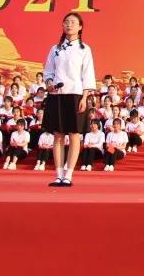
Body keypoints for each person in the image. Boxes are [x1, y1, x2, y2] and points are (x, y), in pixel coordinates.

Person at [42, 12, 97, 187]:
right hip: (57, 95)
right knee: (58, 135)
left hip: (76, 95)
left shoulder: (84, 49)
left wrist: (85, 97)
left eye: (73, 22)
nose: (69, 25)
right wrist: (49, 83)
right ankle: (58, 175)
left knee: (74, 135)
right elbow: (48, 71)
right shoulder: (55, 49)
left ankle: (69, 175)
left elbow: (88, 74)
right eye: (66, 22)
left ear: (80, 27)